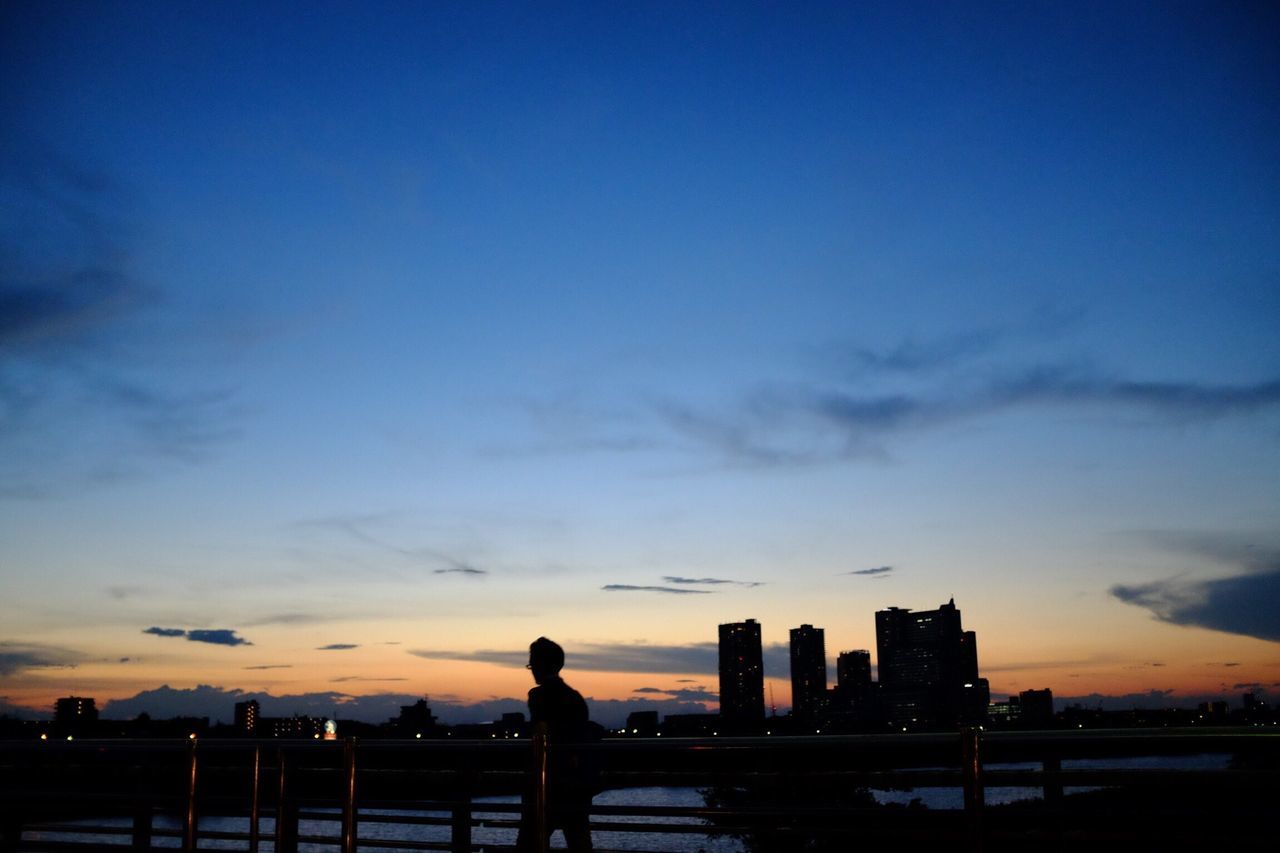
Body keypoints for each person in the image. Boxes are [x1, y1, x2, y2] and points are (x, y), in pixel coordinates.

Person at [516, 637, 595, 852]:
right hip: (575, 784)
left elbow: (540, 733)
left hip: (547, 783)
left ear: (540, 665)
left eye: (532, 664)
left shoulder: (538, 696)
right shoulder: (575, 697)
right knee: (579, 842)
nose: (531, 670)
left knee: (529, 844)